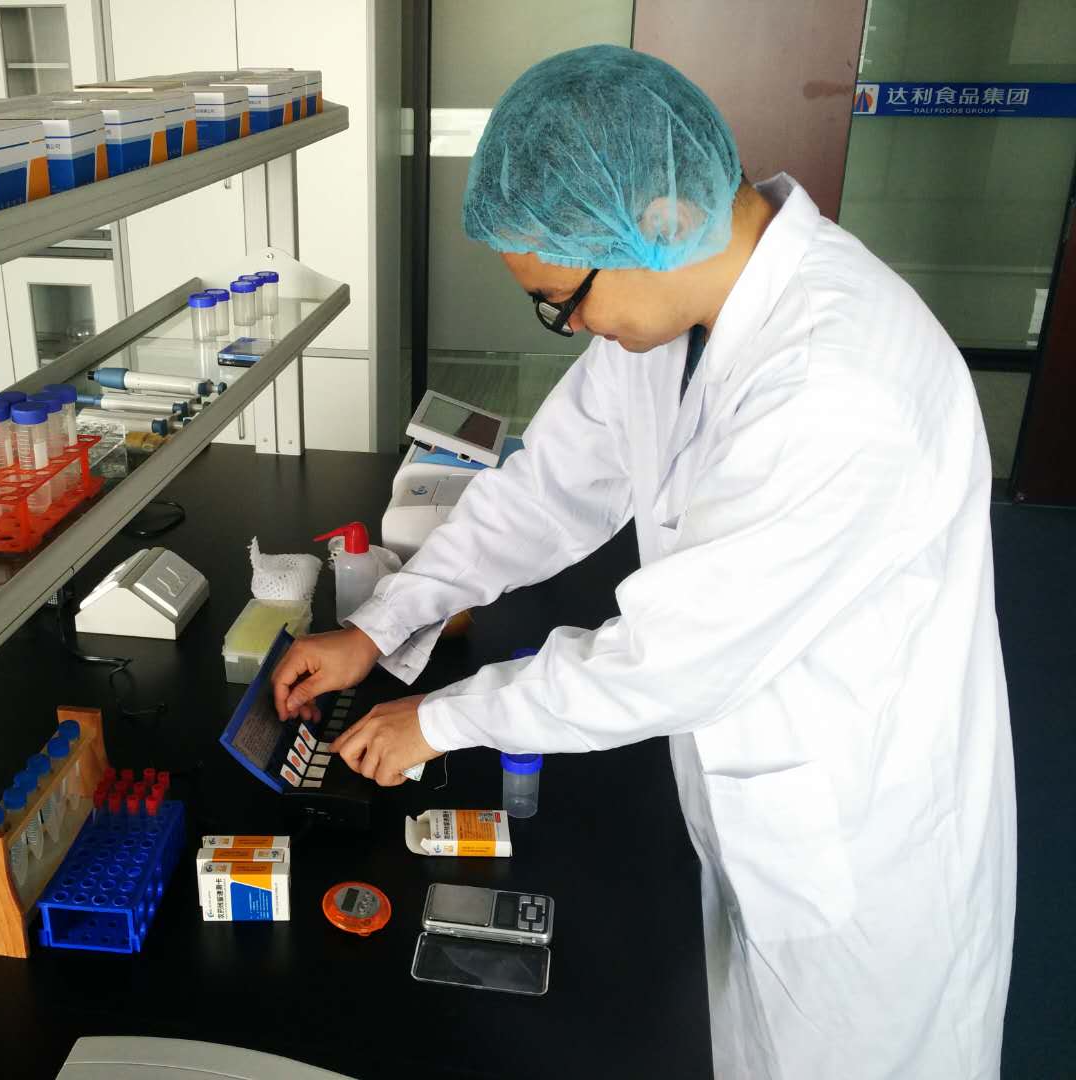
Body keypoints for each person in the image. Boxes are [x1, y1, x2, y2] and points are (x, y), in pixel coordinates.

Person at [271, 45, 1015, 1079]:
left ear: (654, 221)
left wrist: (435, 721)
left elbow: (669, 658)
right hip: (766, 806)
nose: (568, 324)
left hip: (865, 854)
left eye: (562, 298)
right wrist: (380, 621)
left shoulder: (838, 386)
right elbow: (549, 486)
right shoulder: (683, 313)